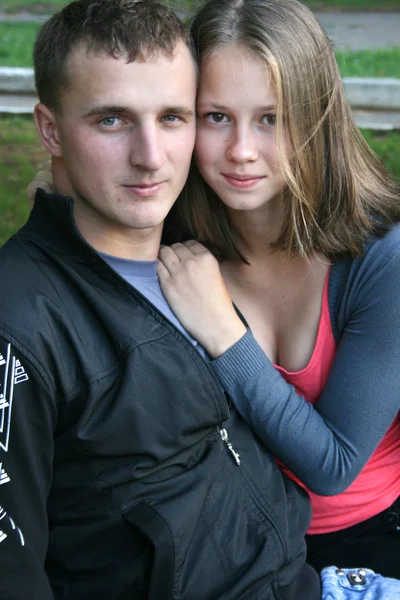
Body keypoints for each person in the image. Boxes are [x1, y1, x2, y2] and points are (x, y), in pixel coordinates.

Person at [0, 1, 325, 599]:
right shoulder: (19, 322)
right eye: (111, 121)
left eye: (173, 117)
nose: (151, 157)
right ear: (49, 128)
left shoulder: (202, 242)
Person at [153, 0, 400, 579]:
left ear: (317, 118)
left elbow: (333, 464)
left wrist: (222, 331)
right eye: (216, 116)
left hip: (367, 549)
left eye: (271, 118)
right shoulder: (175, 245)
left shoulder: (380, 257)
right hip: (231, 544)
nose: (241, 149)